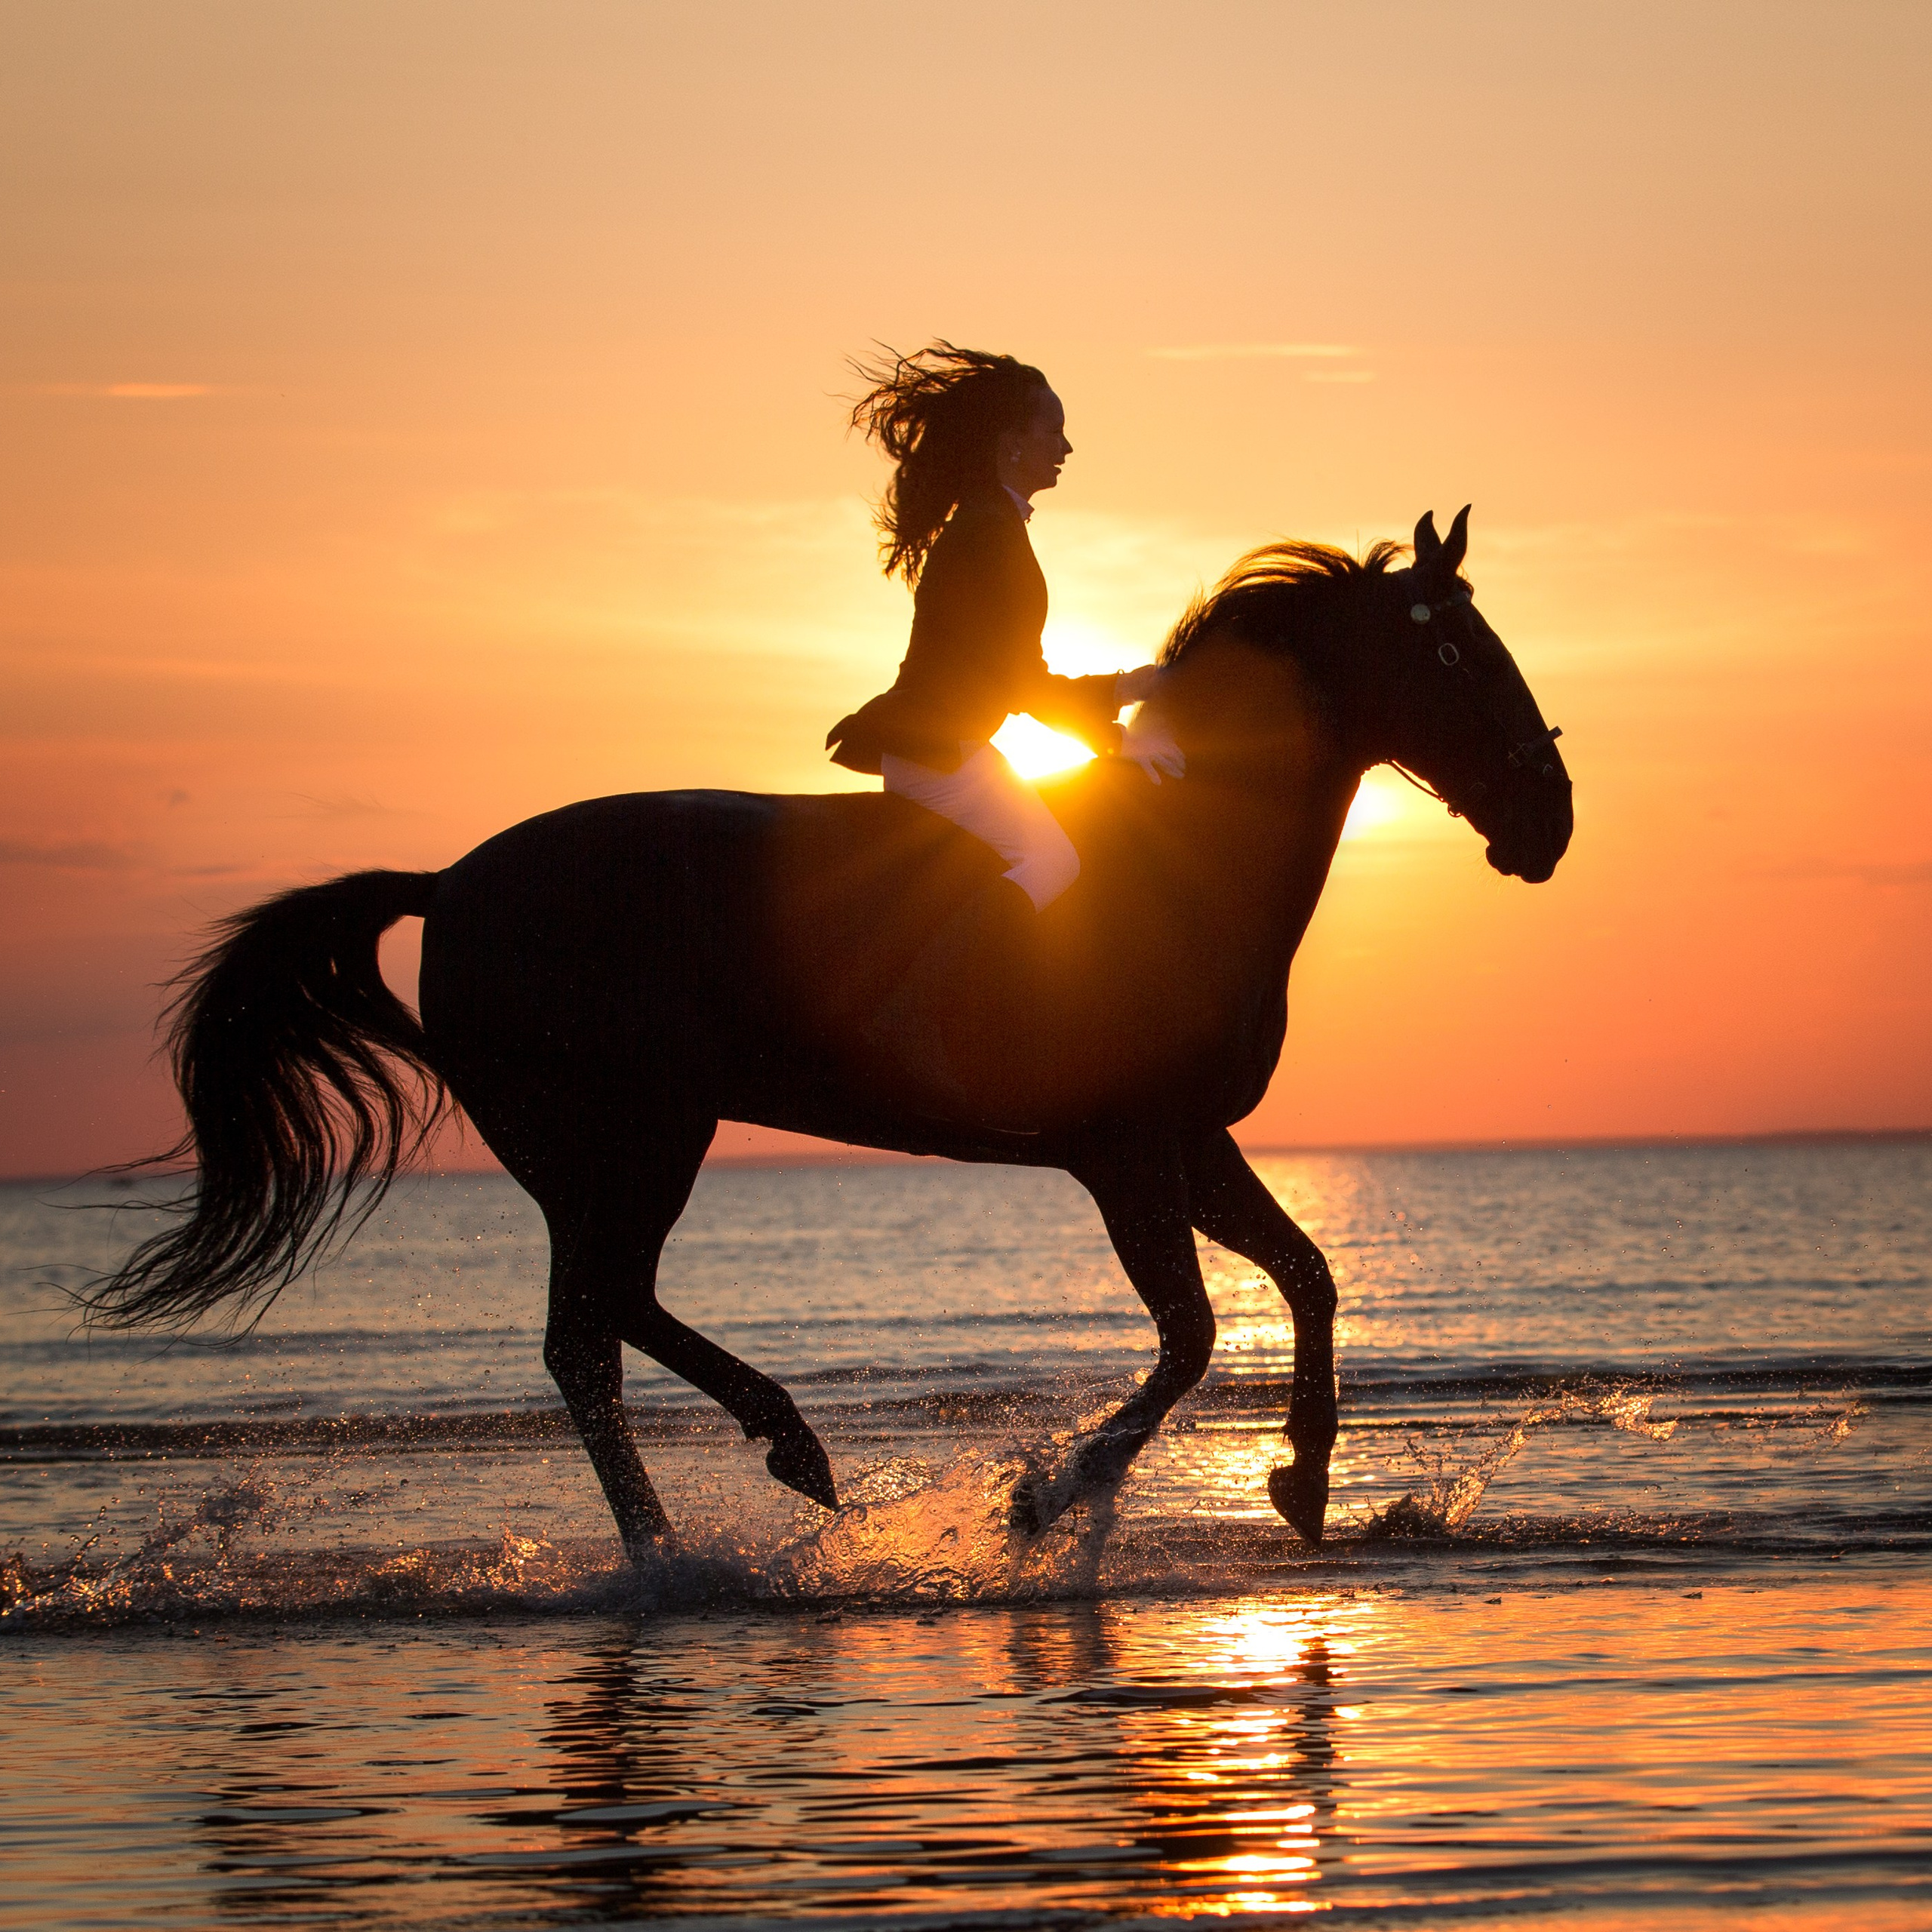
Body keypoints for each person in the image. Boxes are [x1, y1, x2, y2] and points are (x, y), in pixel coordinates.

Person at [827, 343, 1182, 912]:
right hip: (939, 753)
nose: (1067, 448)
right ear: (1012, 444)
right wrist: (1118, 735)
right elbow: (1020, 684)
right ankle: (971, 968)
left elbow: (1013, 672)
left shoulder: (989, 522)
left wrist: (1123, 689)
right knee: (1054, 861)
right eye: (1054, 432)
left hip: (938, 745)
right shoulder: (990, 533)